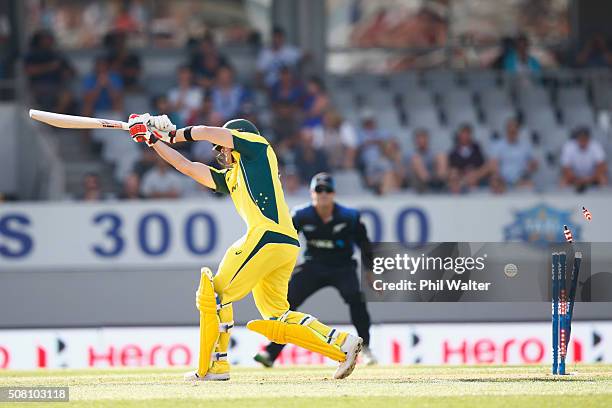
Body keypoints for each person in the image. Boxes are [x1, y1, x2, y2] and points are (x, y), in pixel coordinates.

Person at [127, 113, 363, 381]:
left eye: (223, 147)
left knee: (213, 295)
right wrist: (152, 140)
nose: (220, 153)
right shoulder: (233, 176)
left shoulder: (257, 147)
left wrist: (173, 134)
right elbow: (187, 166)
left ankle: (215, 366)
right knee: (277, 317)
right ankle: (343, 343)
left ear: (235, 140)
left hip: (267, 236)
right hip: (284, 243)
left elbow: (205, 131)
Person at [254, 173, 377, 368]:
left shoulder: (350, 217)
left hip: (342, 266)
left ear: (334, 193)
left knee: (356, 298)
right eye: (319, 190)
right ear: (312, 193)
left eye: (327, 190)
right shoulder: (301, 215)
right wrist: (279, 266)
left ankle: (367, 348)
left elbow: (365, 244)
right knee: (286, 303)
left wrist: (371, 272)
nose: (323, 194)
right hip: (314, 265)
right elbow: (285, 240)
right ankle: (271, 353)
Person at [488, 117, 538, 193]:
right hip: (502, 180)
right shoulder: (498, 145)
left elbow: (534, 164)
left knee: (530, 185)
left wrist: (532, 166)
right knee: (494, 181)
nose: (512, 132)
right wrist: (500, 178)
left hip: (520, 179)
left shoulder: (526, 146)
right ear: (506, 130)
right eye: (510, 130)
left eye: (514, 130)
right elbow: (494, 166)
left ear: (518, 131)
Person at [560, 127, 608, 192]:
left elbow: (601, 166)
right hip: (574, 177)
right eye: (580, 138)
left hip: (592, 176)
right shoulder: (569, 146)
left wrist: (590, 179)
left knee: (603, 179)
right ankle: (564, 201)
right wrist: (576, 179)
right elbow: (565, 168)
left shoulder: (596, 145)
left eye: (585, 138)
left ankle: (603, 200)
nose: (582, 141)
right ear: (576, 139)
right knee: (563, 181)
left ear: (588, 138)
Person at [447, 123, 489, 194]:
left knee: (474, 173)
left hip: (475, 174)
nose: (465, 136)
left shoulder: (476, 148)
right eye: (463, 133)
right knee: (454, 173)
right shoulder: (454, 150)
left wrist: (471, 168)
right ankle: (457, 190)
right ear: (459, 135)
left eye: (467, 133)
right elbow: (453, 164)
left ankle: (472, 190)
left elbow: (481, 162)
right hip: (461, 174)